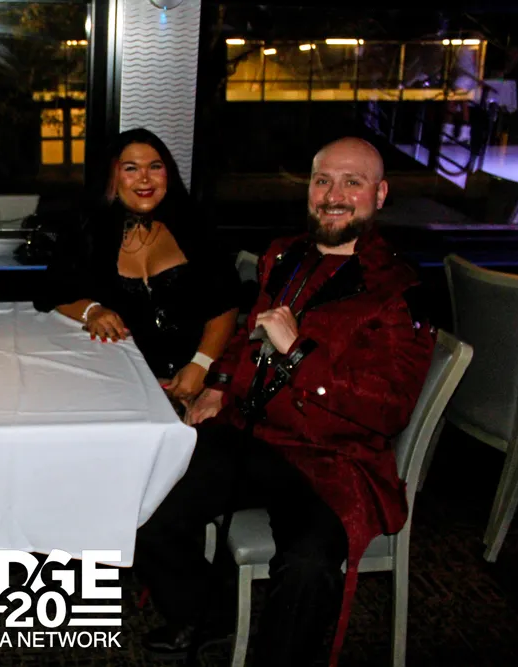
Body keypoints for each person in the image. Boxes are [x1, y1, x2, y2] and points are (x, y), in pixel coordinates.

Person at [134, 137, 436, 667]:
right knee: (146, 490)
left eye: (352, 183)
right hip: (256, 436)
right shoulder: (285, 254)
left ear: (380, 194)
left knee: (307, 566)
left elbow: (389, 409)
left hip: (333, 462)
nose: (333, 195)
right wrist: (218, 383)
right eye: (323, 181)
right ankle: (206, 615)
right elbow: (247, 333)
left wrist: (298, 353)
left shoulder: (398, 290)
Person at [35, 128, 240, 407]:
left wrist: (202, 365)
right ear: (112, 177)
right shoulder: (88, 231)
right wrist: (92, 310)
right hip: (120, 386)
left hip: (202, 383)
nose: (145, 178)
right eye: (131, 168)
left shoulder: (196, 226)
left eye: (155, 167)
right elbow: (55, 291)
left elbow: (226, 303)